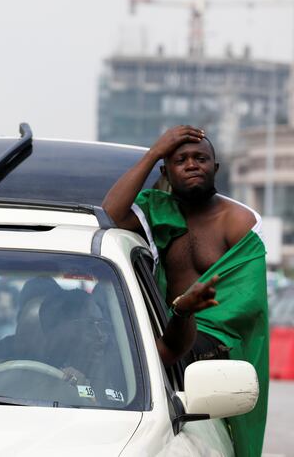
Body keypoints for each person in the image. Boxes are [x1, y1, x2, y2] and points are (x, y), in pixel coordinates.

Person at [102, 125, 268, 457]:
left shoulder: (238, 221)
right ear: (167, 170)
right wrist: (152, 153)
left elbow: (244, 304)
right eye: (181, 160)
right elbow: (111, 215)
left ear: (215, 168)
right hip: (164, 331)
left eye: (201, 158)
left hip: (215, 341)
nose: (192, 165)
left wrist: (186, 312)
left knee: (149, 359)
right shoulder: (155, 209)